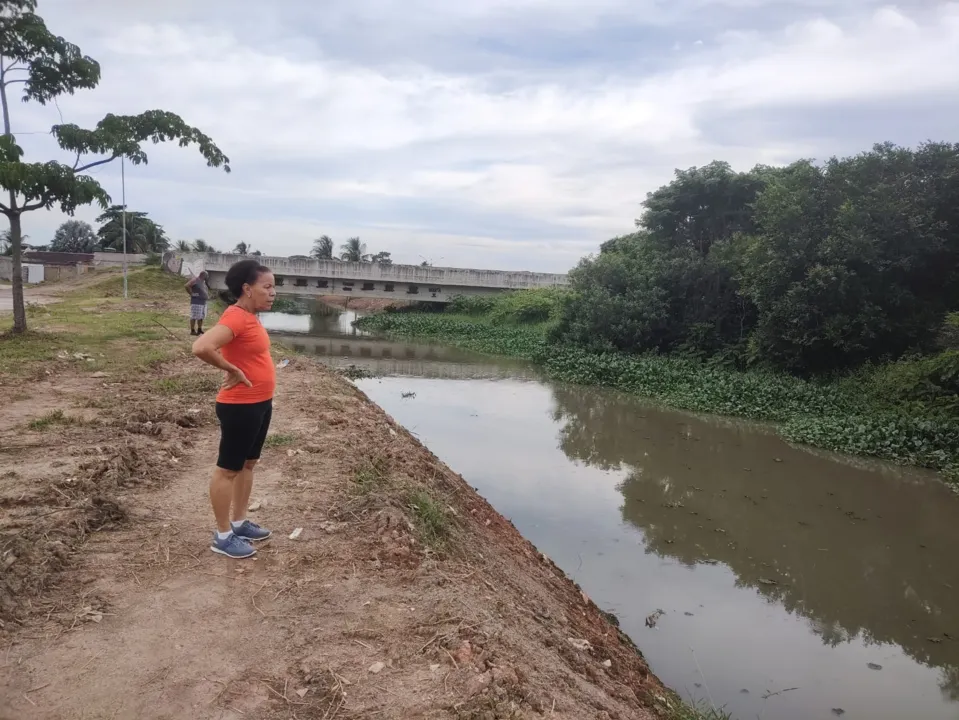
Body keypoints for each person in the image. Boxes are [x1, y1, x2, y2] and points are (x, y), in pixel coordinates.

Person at [191, 260, 277, 558]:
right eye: (266, 287)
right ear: (246, 289)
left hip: (260, 403)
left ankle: (239, 522)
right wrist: (231, 369)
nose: (272, 293)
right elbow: (202, 347)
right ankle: (223, 535)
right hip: (240, 406)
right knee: (228, 469)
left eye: (273, 287)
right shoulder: (237, 317)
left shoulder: (252, 317)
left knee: (247, 464)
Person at [186, 270, 210, 336]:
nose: (207, 277)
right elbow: (186, 286)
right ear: (204, 275)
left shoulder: (203, 282)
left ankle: (199, 329)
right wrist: (191, 294)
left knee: (201, 317)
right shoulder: (195, 280)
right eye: (207, 275)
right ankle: (192, 330)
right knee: (194, 316)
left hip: (203, 302)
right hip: (196, 302)